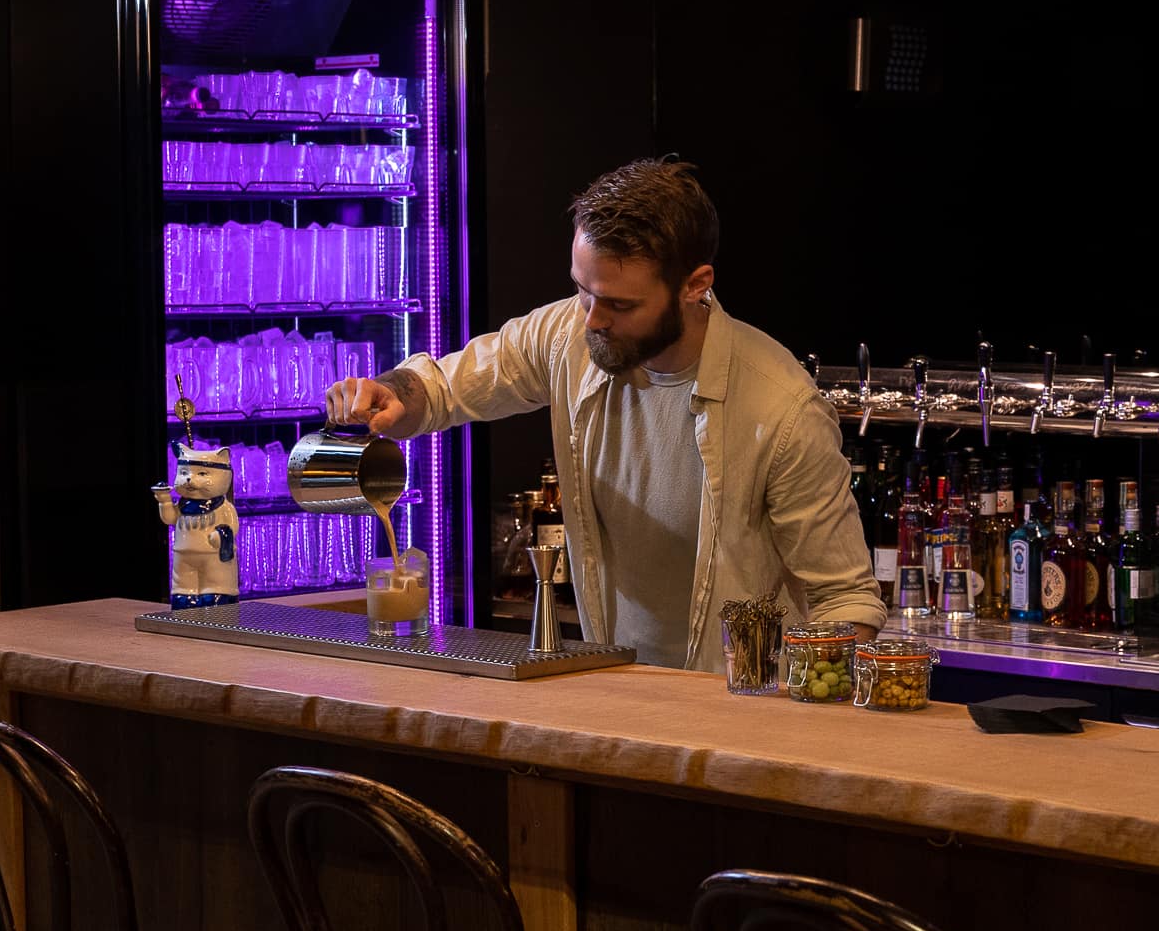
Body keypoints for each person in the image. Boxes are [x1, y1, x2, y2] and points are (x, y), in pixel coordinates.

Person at [326, 158, 885, 672]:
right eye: (581, 291)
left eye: (620, 304)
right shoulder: (571, 332)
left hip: (740, 712)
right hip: (614, 692)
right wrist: (395, 393)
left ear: (695, 286)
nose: (592, 319)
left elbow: (845, 598)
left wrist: (803, 708)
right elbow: (446, 386)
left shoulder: (782, 410)